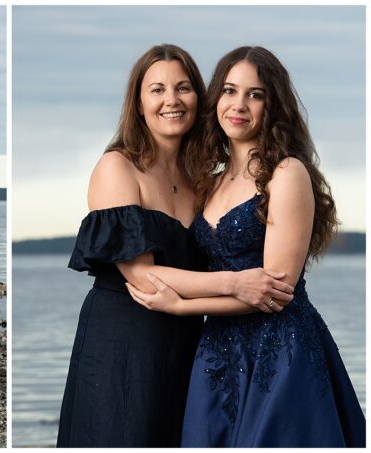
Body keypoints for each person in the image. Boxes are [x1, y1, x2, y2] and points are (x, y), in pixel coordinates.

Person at [127, 46, 366, 448]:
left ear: (273, 105)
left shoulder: (287, 174)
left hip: (279, 352)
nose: (239, 105)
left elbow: (275, 291)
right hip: (216, 354)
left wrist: (181, 306)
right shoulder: (211, 181)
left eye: (255, 94)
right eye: (230, 91)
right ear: (215, 98)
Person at [58, 44, 295, 447]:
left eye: (183, 88)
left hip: (189, 343)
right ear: (137, 102)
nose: (171, 100)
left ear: (199, 98)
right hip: (123, 341)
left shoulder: (200, 176)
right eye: (157, 89)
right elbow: (144, 278)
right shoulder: (117, 167)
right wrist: (235, 284)